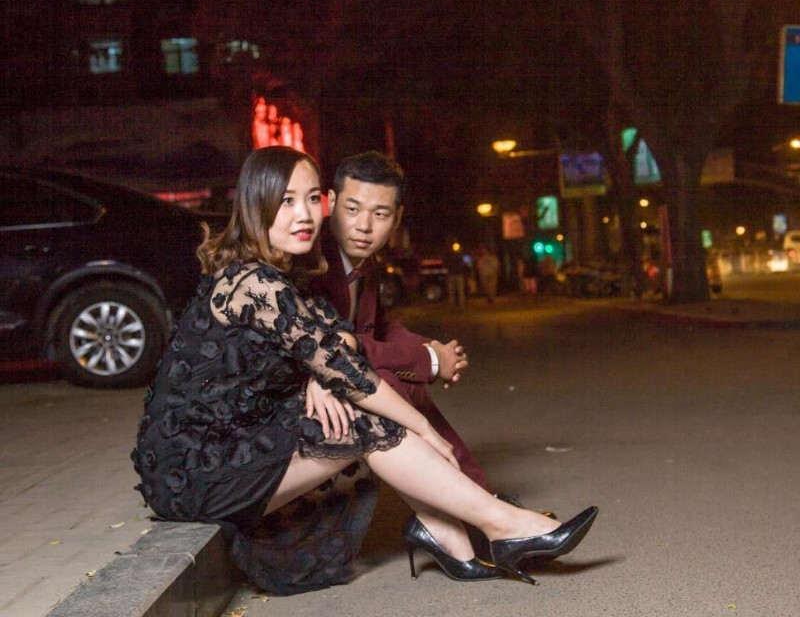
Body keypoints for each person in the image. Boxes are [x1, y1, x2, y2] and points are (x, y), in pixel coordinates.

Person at [132, 146, 598, 596]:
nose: (305, 215)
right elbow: (350, 371)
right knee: (361, 416)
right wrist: (423, 430)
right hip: (194, 471)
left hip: (235, 446)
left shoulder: (282, 274)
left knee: (357, 414)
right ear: (257, 205)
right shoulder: (253, 283)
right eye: (287, 201)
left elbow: (340, 341)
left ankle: (457, 534)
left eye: (312, 199)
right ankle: (501, 525)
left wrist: (320, 374)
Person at [309, 151, 488, 489]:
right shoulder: (310, 263)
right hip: (296, 394)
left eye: (380, 214)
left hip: (337, 379)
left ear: (397, 217)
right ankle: (472, 504)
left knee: (400, 383)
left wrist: (434, 349)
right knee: (390, 382)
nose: (364, 226)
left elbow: (379, 328)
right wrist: (430, 361)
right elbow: (343, 348)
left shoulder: (367, 262)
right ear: (330, 202)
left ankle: (477, 497)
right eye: (352, 210)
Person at [444, 240, 468, 309]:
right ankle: (456, 305)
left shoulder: (459, 255)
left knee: (457, 291)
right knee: (456, 291)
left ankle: (458, 305)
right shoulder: (451, 255)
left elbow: (466, 264)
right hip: (454, 275)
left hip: (456, 275)